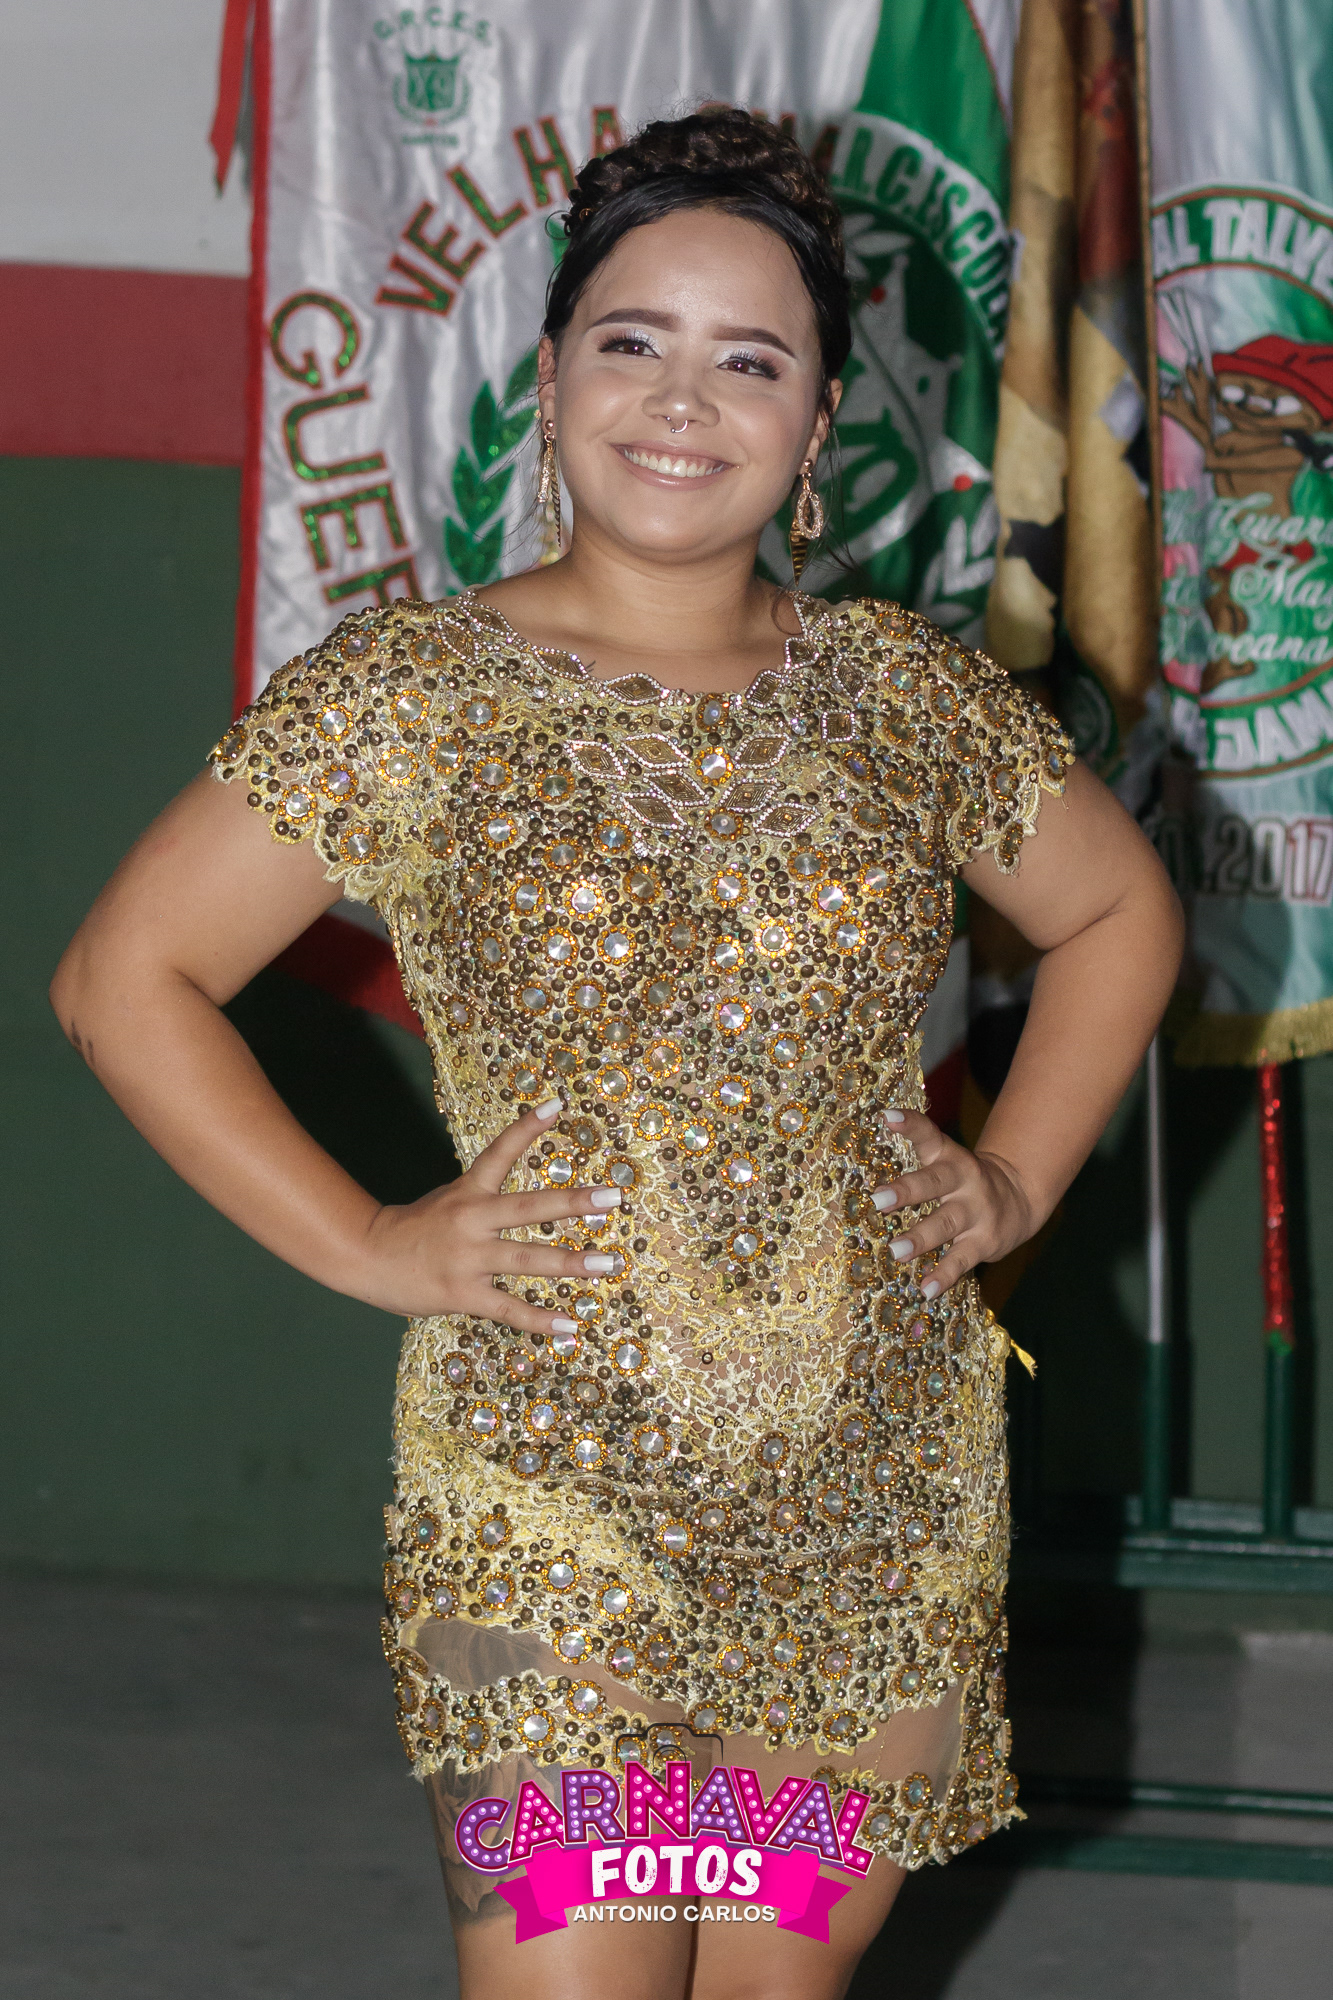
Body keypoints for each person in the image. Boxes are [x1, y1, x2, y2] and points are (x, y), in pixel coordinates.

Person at [51, 109, 1182, 2000]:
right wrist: (369, 1240)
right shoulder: (411, 695)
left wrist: (1016, 1177)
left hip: (875, 1487)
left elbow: (1116, 913)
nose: (681, 400)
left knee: (769, 1984)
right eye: (632, 341)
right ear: (552, 375)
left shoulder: (907, 697)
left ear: (819, 428)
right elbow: (124, 977)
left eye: (751, 361)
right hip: (547, 1488)